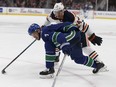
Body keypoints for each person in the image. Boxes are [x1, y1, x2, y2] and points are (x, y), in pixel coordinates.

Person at [28, 22, 106, 79]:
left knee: (49, 44)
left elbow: (58, 36)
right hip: (75, 35)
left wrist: (64, 45)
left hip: (72, 33)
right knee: (78, 58)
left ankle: (50, 69)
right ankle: (97, 65)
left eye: (33, 34)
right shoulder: (45, 32)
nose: (33, 36)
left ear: (38, 30)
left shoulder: (45, 32)